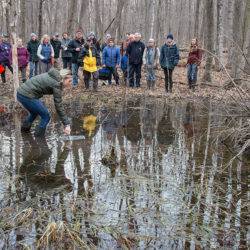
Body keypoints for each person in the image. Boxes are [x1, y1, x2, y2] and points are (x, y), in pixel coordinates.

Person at [17, 68, 72, 136]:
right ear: (64, 78)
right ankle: (39, 139)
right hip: (27, 96)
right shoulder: (57, 83)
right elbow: (59, 106)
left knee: (34, 113)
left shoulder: (54, 76)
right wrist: (66, 124)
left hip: (20, 93)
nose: (70, 83)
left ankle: (24, 133)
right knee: (46, 116)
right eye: (69, 81)